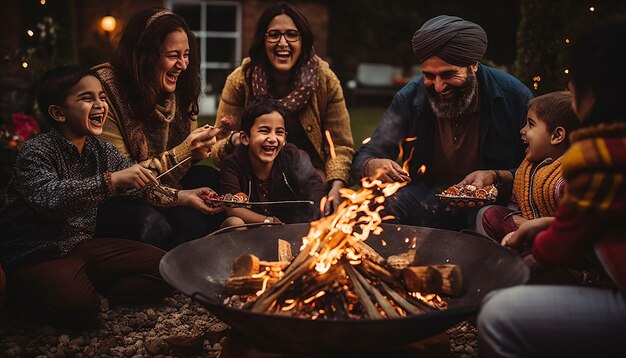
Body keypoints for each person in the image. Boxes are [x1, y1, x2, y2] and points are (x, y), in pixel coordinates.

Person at [0, 66, 216, 329]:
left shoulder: (101, 149)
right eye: (87, 98)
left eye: (102, 97)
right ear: (58, 113)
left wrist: (184, 196)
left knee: (166, 270)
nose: (101, 105)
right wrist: (112, 180)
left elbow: (141, 189)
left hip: (81, 245)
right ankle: (40, 292)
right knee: (81, 311)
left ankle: (85, 284)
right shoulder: (36, 151)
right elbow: (50, 200)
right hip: (36, 254)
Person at [478, 19, 626, 357]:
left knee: (497, 314)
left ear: (598, 95)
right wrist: (544, 223)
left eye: (575, 96)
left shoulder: (599, 158)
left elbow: (562, 249)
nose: (574, 108)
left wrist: (535, 250)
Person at [351, 15, 532, 230]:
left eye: (448, 75)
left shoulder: (513, 97)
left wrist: (495, 176)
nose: (438, 87)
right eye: (429, 75)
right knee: (375, 207)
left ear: (473, 65)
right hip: (428, 197)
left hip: (489, 204)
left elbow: (535, 170)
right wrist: (371, 165)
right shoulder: (410, 98)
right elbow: (365, 155)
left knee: (491, 218)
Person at [92, 8, 224, 249]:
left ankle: (188, 272)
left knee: (211, 182)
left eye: (187, 55)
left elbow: (184, 161)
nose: (183, 64)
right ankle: (158, 277)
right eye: (173, 55)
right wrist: (185, 152)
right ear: (145, 55)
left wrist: (201, 149)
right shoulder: (105, 91)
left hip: (163, 185)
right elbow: (122, 178)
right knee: (152, 223)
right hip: (118, 196)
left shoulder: (181, 86)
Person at [211, 2, 354, 215]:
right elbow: (216, 149)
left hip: (310, 175)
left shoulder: (324, 79)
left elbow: (341, 145)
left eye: (291, 35)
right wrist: (232, 140)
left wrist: (335, 185)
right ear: (263, 39)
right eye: (274, 35)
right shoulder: (241, 80)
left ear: (302, 39)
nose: (283, 43)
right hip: (256, 174)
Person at [476, 91, 579, 241]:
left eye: (531, 124)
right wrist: (517, 222)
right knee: (487, 214)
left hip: (557, 240)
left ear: (557, 136)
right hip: (525, 232)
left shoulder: (569, 177)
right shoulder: (527, 169)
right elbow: (515, 205)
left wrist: (535, 225)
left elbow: (577, 225)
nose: (522, 130)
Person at [220, 97, 325, 226]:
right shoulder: (233, 164)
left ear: (285, 138)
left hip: (291, 233)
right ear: (245, 138)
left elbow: (315, 187)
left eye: (279, 132)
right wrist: (268, 221)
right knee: (233, 222)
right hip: (250, 236)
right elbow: (233, 208)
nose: (273, 139)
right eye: (264, 131)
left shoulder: (292, 157)